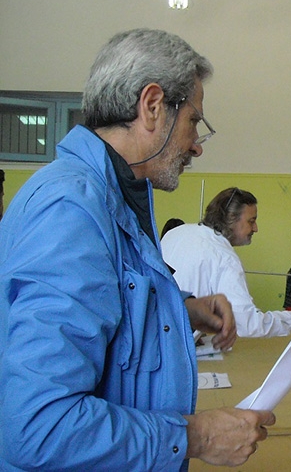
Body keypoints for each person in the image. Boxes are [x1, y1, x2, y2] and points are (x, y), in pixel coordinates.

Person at [0, 28, 274, 471]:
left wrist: (182, 309)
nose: (197, 145)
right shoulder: (71, 209)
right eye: (193, 121)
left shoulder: (117, 197)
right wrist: (196, 436)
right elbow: (39, 427)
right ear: (152, 106)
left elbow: (107, 306)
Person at [162, 187, 291, 338]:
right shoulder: (224, 256)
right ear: (231, 218)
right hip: (174, 342)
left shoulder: (175, 233)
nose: (255, 228)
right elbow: (248, 325)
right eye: (251, 221)